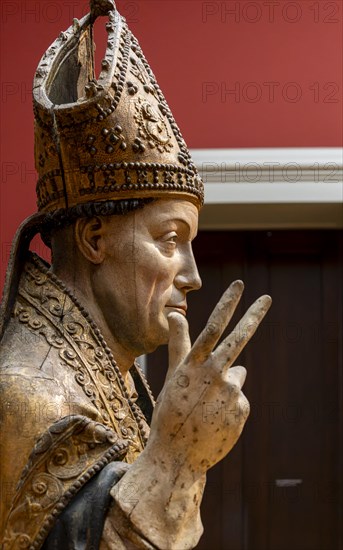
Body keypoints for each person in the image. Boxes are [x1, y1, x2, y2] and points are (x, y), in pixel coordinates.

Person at [0, 1, 271, 548]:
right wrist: (174, 459)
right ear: (95, 239)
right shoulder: (29, 393)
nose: (192, 276)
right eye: (170, 240)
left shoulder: (116, 376)